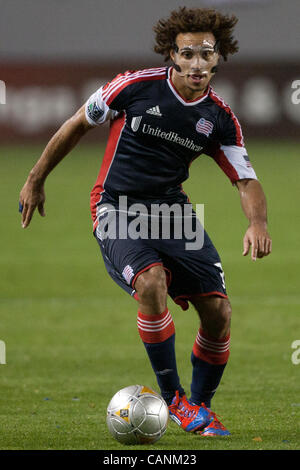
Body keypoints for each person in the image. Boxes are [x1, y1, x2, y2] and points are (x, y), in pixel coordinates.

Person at [19, 7, 272, 437]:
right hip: (116, 206)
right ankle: (173, 399)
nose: (196, 63)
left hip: (171, 212)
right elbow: (77, 124)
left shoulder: (220, 119)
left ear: (218, 58)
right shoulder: (135, 87)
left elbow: (245, 180)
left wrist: (258, 223)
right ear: (171, 55)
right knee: (151, 282)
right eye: (187, 53)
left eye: (206, 53)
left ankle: (199, 409)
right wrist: (35, 178)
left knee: (219, 313)